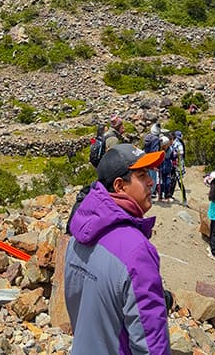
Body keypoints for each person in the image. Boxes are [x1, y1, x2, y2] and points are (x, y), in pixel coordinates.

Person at [64, 144, 169, 355]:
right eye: (142, 175)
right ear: (120, 186)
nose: (151, 181)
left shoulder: (78, 235)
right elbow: (150, 346)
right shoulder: (137, 251)